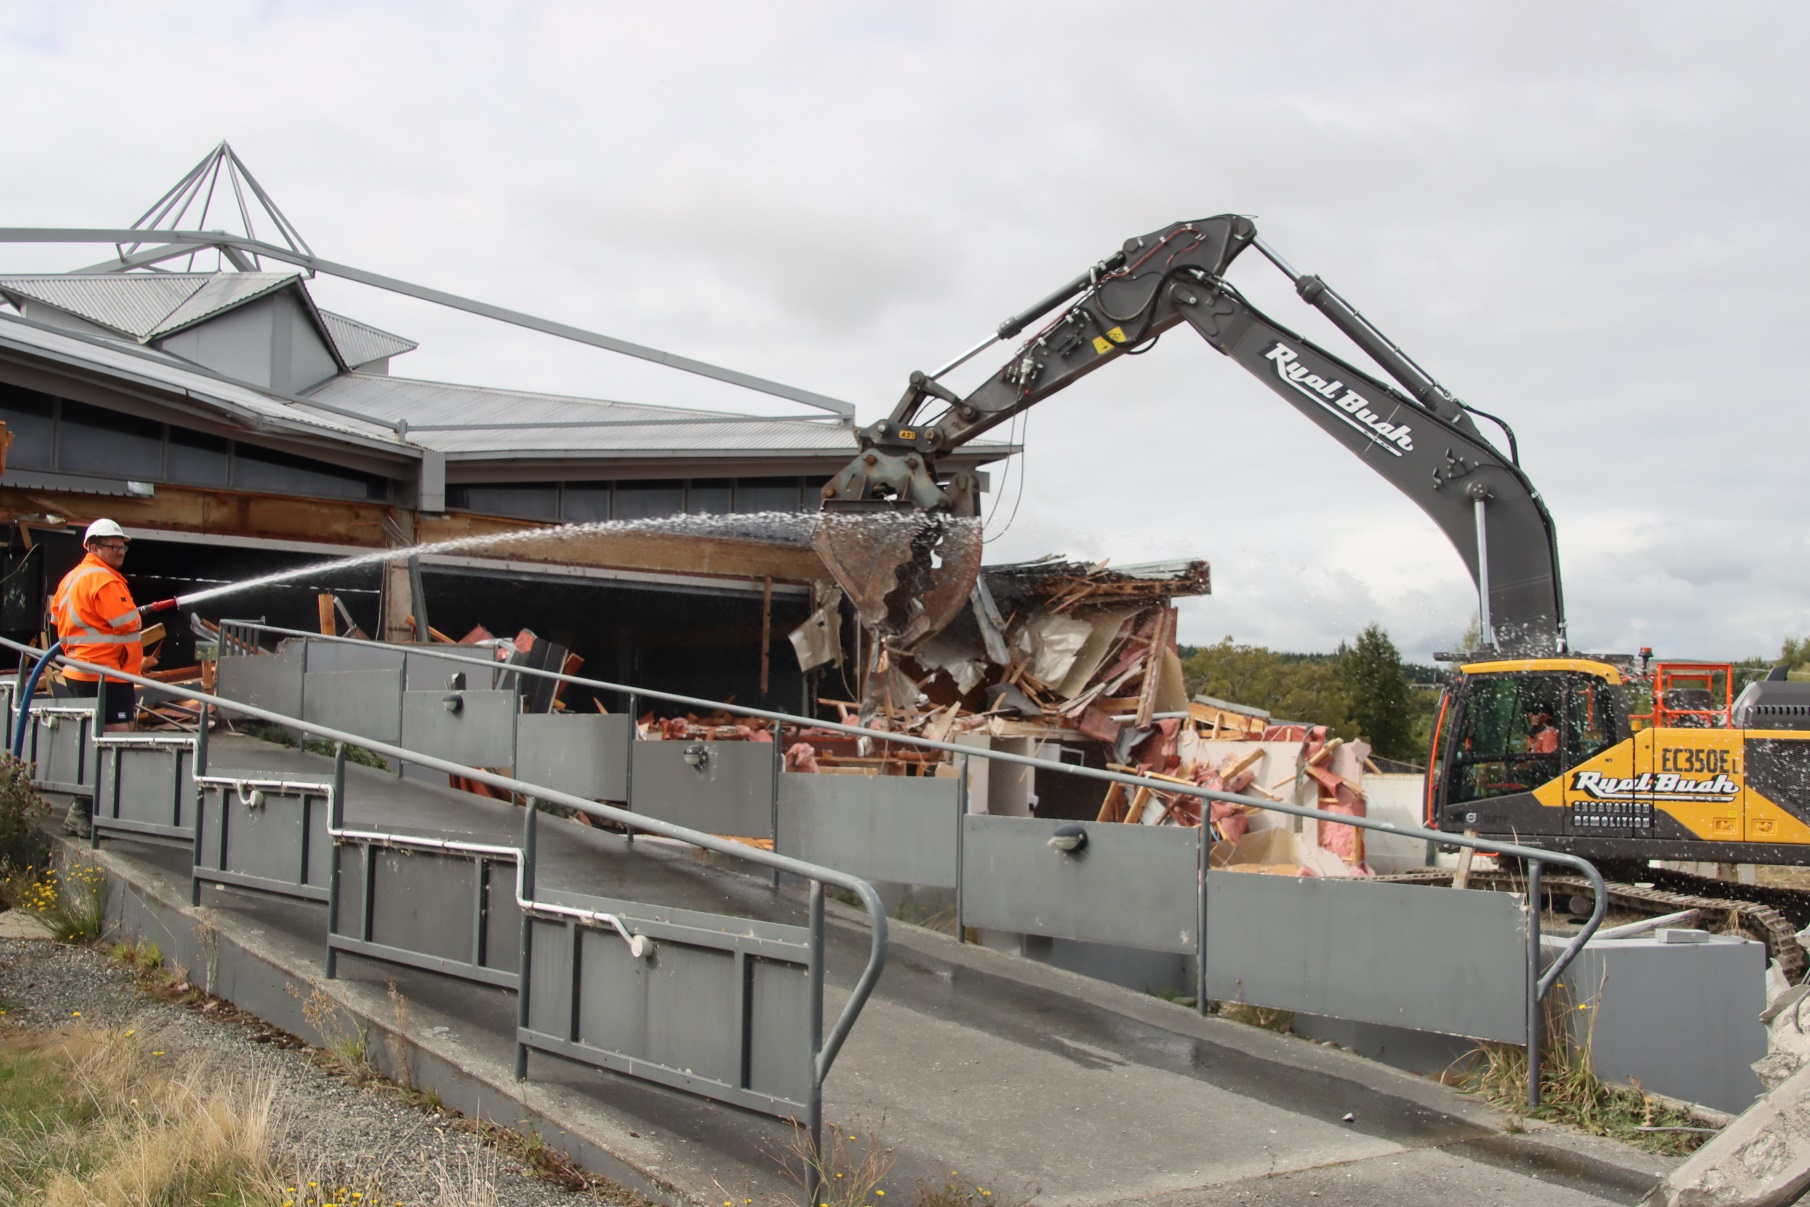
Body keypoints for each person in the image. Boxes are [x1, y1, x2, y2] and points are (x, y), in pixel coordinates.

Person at [49, 518, 144, 835]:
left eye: (122, 547)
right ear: (92, 547)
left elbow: (55, 617)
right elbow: (127, 623)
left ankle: (88, 812)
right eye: (113, 546)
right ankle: (89, 812)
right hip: (107, 675)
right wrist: (135, 613)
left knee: (94, 743)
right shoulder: (105, 580)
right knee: (114, 744)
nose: (120, 551)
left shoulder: (71, 578)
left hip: (78, 671)